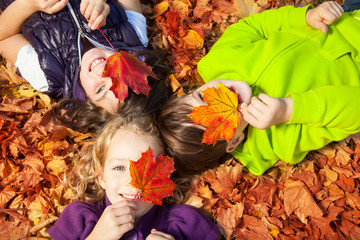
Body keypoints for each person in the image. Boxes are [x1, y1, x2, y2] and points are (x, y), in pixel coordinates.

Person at [158, 1, 360, 176]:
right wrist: (289, 110)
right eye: (219, 120)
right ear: (234, 142)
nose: (221, 98)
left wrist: (305, 17)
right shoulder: (280, 140)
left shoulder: (217, 62)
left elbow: (254, 27)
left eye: (202, 96)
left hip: (342, 17)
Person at [47, 112, 220, 239]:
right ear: (102, 177)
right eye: (119, 168)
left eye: (147, 171)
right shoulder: (79, 219)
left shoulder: (185, 223)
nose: (132, 181)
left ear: (164, 177)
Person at [0, 0, 168, 114]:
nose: (103, 72)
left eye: (100, 89)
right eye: (119, 74)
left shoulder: (48, 73)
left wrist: (28, 4)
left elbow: (3, 37)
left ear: (84, 99)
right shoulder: (132, 35)